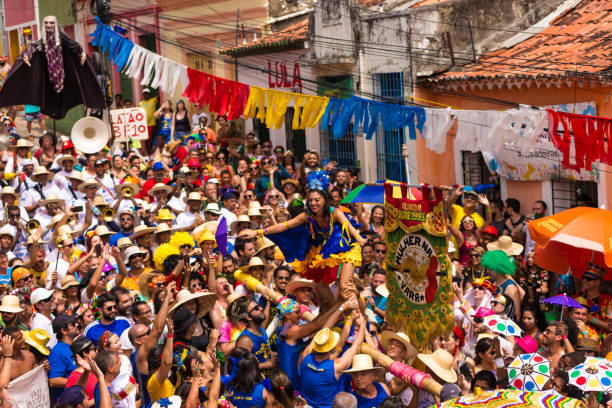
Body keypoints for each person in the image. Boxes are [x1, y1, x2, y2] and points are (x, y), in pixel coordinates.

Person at [298, 315, 366, 408]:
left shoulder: (306, 355)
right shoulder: (336, 366)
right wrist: (363, 324)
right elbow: (356, 347)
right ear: (332, 348)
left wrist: (346, 314)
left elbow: (322, 333)